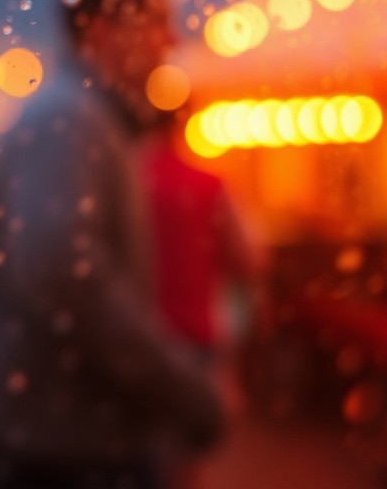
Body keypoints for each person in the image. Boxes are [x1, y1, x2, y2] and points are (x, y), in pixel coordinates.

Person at [0, 0, 225, 488]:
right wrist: (182, 387)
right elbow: (60, 270)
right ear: (101, 29)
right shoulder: (73, 121)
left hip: (37, 434)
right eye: (157, 20)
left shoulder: (76, 115)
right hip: (50, 446)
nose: (171, 39)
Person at [144, 110, 259, 488]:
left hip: (137, 341)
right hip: (195, 338)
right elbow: (248, 258)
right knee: (188, 465)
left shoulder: (125, 182)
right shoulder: (207, 185)